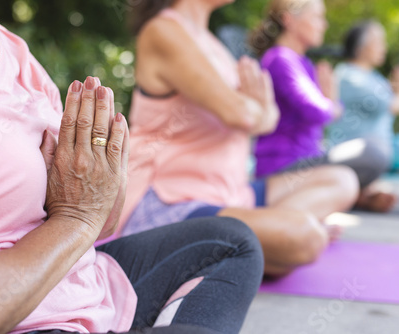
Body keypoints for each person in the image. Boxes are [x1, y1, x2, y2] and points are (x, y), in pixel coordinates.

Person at [0, 1, 265, 333]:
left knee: (230, 243)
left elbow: (100, 223)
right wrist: (76, 219)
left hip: (79, 285)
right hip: (18, 319)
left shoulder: (10, 48)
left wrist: (102, 185)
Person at [115, 0, 359, 277]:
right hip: (172, 202)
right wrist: (261, 111)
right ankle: (258, 248)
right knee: (306, 236)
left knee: (343, 180)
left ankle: (244, 249)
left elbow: (263, 117)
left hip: (231, 195)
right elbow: (242, 115)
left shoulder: (210, 41)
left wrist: (260, 113)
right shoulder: (162, 30)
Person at [251, 0, 396, 212]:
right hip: (282, 167)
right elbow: (317, 110)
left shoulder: (303, 63)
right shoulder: (280, 59)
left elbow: (322, 114)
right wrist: (332, 103)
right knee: (374, 152)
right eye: (317, 17)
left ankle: (356, 195)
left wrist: (330, 104)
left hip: (307, 159)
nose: (324, 25)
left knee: (373, 154)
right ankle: (354, 196)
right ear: (289, 19)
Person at [329, 21, 399, 172]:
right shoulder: (348, 76)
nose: (384, 48)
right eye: (379, 42)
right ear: (361, 47)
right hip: (361, 154)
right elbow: (388, 104)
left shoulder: (372, 76)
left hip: (383, 149)